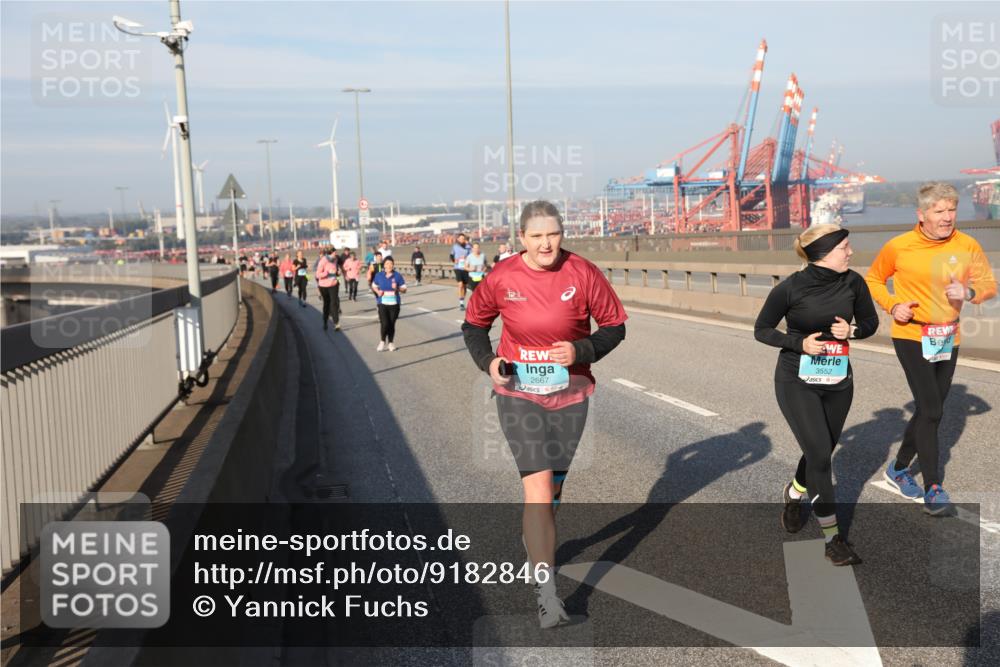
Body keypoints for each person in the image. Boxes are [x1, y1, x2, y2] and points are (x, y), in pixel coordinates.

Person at [462, 200, 627, 628]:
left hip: (571, 393)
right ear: (522, 238)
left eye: (552, 234)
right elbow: (474, 325)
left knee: (552, 492)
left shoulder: (583, 273)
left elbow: (615, 327)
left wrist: (581, 350)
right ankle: (547, 596)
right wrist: (489, 362)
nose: (545, 243)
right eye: (536, 236)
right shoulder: (502, 277)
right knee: (536, 491)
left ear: (562, 233)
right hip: (519, 393)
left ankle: (537, 542)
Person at [865, 182, 997, 515]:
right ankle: (933, 487)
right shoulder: (900, 246)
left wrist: (967, 293)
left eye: (951, 210)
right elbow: (873, 280)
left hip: (947, 337)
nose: (947, 217)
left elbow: (988, 286)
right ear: (921, 215)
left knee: (928, 410)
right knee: (933, 411)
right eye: (939, 211)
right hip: (911, 335)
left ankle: (898, 468)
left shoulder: (967, 245)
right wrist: (894, 305)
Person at [755, 224, 879, 566]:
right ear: (825, 252)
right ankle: (833, 540)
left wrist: (852, 330)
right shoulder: (790, 288)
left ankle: (794, 493)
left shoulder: (853, 281)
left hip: (838, 379)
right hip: (796, 379)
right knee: (822, 457)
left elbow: (870, 322)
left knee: (820, 450)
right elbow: (761, 330)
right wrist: (800, 343)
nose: (850, 253)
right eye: (845, 247)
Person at [371, 256, 407, 351]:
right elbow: (374, 286)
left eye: (391, 263)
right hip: (382, 303)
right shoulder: (379, 275)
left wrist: (397, 288)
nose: (389, 265)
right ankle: (382, 341)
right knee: (385, 323)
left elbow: (404, 289)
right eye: (387, 263)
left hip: (394, 304)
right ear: (384, 265)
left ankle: (391, 343)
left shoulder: (397, 276)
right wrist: (378, 292)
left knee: (391, 324)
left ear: (393, 265)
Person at [316, 247, 341, 331]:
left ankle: (336, 323)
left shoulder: (335, 260)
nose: (336, 254)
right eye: (335, 253)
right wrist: (327, 273)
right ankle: (325, 322)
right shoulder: (323, 261)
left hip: (333, 284)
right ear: (330, 253)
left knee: (334, 303)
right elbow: (318, 274)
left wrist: (337, 273)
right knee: (326, 304)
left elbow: (335, 271)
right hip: (324, 286)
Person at [450, 233, 472, 310]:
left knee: (465, 286)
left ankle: (462, 299)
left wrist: (466, 257)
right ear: (458, 239)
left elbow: (472, 255)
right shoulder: (455, 246)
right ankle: (461, 303)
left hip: (465, 268)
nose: (462, 240)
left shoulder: (468, 247)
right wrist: (454, 261)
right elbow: (451, 255)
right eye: (461, 238)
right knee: (460, 284)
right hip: (457, 268)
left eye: (463, 238)